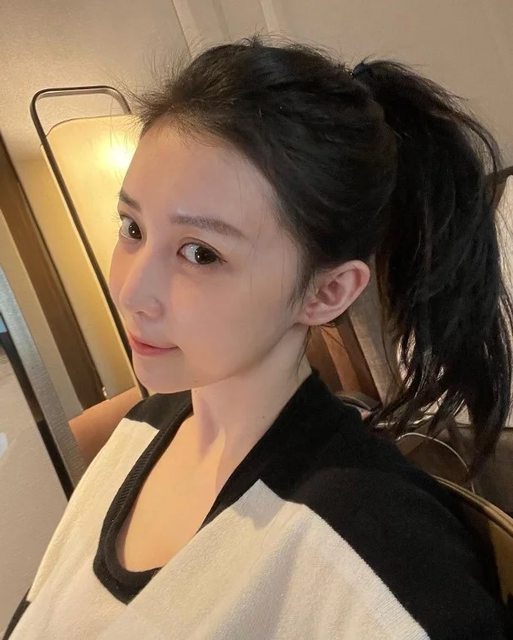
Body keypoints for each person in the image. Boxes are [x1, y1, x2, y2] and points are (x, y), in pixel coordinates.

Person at [5, 34, 513, 639]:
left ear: (326, 292)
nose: (132, 291)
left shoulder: (374, 548)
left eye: (201, 253)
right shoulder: (140, 430)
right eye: (132, 227)